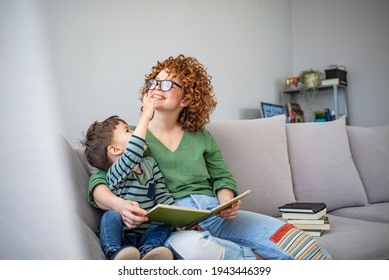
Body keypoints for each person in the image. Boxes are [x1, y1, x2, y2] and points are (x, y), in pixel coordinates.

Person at [87, 54, 332, 260]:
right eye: (154, 82)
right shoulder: (132, 137)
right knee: (193, 247)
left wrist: (226, 201)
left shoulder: (201, 136)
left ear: (186, 99)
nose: (156, 88)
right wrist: (119, 206)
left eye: (167, 84)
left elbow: (222, 176)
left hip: (214, 212)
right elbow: (99, 179)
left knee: (297, 241)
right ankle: (251, 258)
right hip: (175, 223)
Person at [82, 92, 175, 260]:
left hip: (146, 232)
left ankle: (150, 251)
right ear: (116, 150)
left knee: (167, 222)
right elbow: (133, 150)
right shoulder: (115, 172)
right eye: (127, 130)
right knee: (110, 216)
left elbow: (162, 195)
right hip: (122, 235)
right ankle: (114, 252)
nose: (133, 131)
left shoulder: (150, 164)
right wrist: (146, 116)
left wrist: (178, 218)